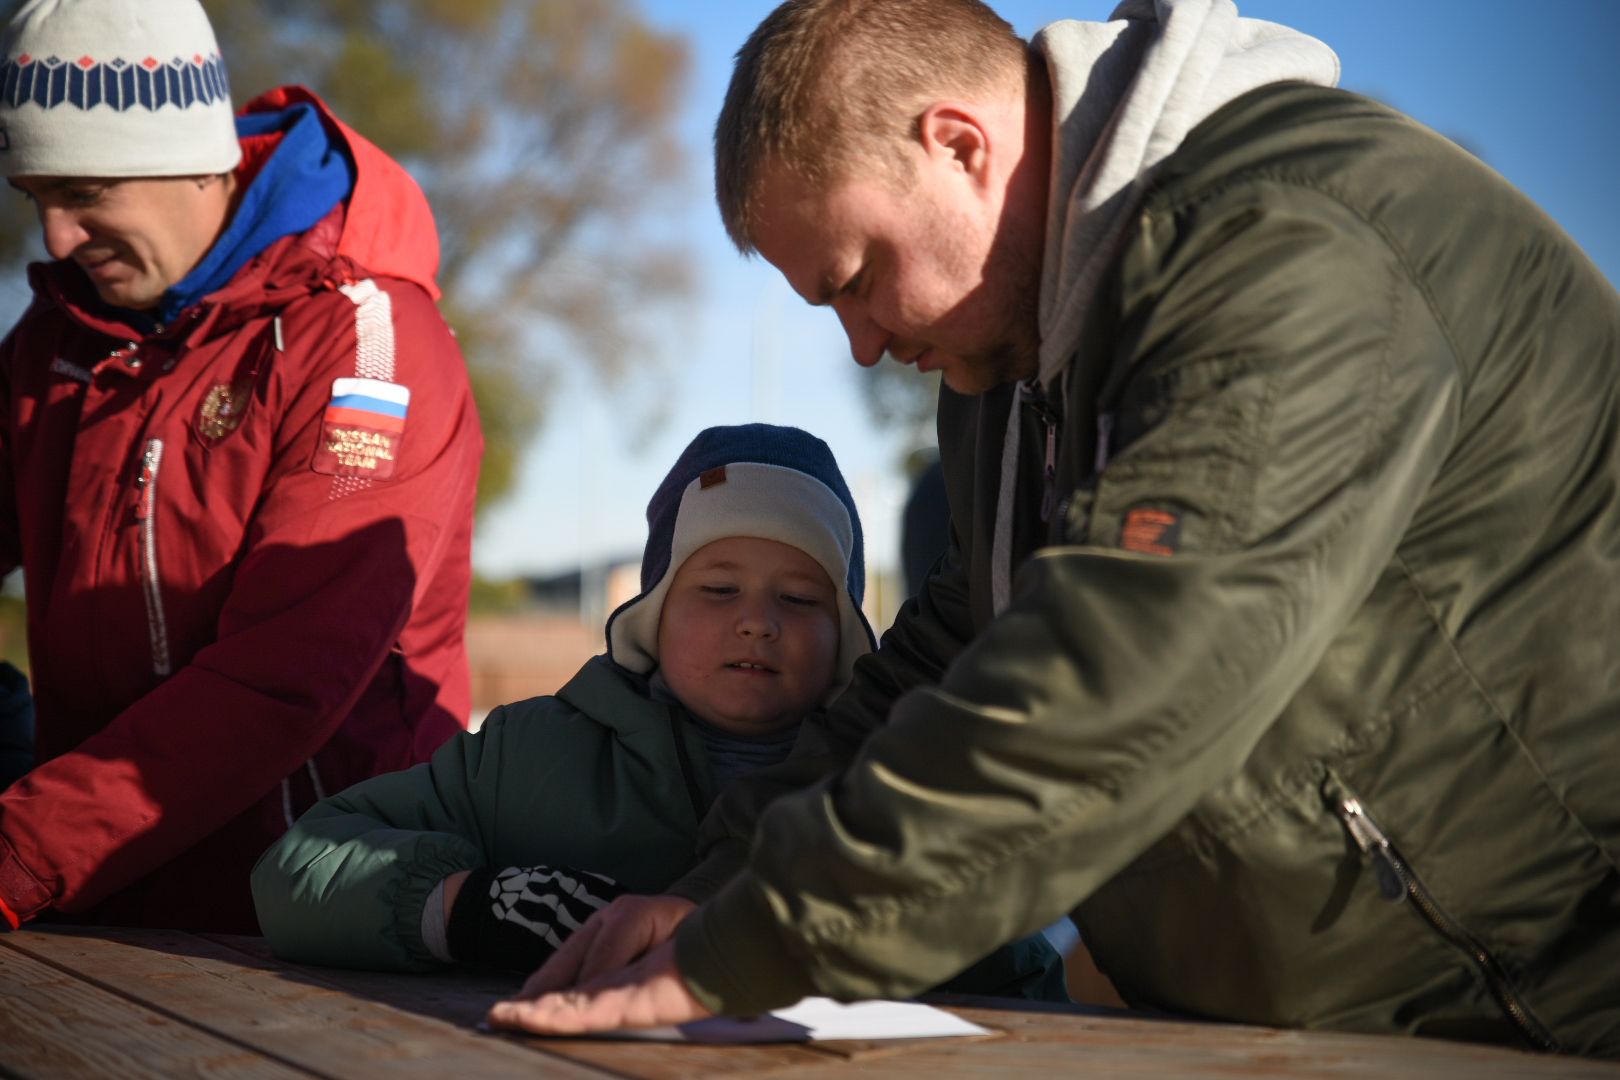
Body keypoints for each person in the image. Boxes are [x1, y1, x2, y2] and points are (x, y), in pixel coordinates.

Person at [485, 0, 1620, 1057]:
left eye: (859, 279)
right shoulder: (1012, 366)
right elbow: (949, 651)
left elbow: (1130, 663)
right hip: (1314, 1029)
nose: (865, 348)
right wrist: (719, 885)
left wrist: (754, 942)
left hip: (1536, 1002)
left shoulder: (1290, 244)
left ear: (960, 146)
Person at [250, 422, 1065, 1001]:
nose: (757, 620)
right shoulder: (525, 756)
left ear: (849, 634)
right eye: (716, 589)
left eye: (800, 596)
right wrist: (471, 908)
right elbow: (297, 869)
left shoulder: (902, 779)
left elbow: (1025, 977)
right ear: (654, 612)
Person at [0, 0, 482, 934]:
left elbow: (283, 678)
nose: (55, 239)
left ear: (194, 157)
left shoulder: (366, 340)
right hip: (92, 903)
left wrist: (18, 853)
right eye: (36, 199)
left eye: (86, 193)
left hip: (320, 919)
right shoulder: (58, 337)